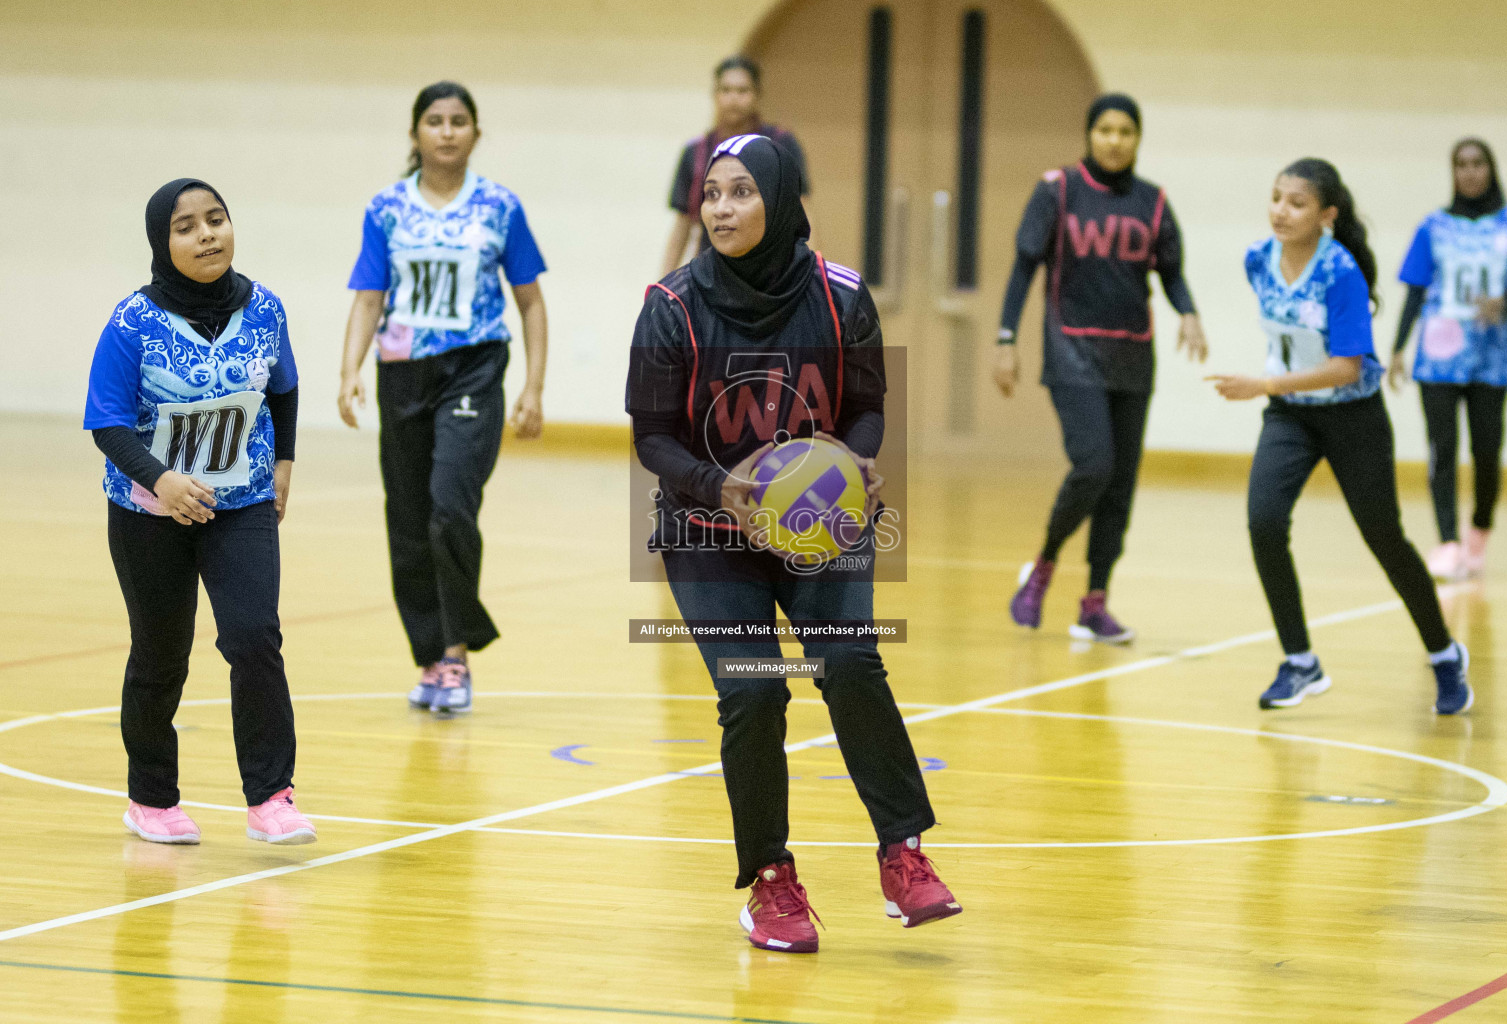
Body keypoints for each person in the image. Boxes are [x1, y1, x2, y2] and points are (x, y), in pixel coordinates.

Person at [626, 134, 961, 954]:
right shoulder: (669, 306)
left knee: (848, 663)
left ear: (777, 201)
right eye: (711, 194)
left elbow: (869, 405)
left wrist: (858, 457)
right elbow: (653, 438)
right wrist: (720, 487)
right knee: (754, 692)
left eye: (741, 192)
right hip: (709, 532)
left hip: (820, 523)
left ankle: (902, 855)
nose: (721, 209)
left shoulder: (841, 296)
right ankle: (771, 882)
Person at [83, 178, 316, 845]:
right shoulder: (132, 322)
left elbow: (285, 390)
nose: (207, 234)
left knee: (253, 639)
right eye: (187, 227)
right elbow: (107, 422)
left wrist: (286, 465)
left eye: (217, 219)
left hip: (241, 502)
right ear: (163, 242)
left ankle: (271, 798)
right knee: (161, 654)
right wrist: (162, 482)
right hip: (146, 512)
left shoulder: (265, 307)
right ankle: (151, 800)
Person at [1208, 157, 1473, 715]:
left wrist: (1263, 384)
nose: (1281, 211)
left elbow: (1347, 367)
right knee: (1263, 521)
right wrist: (1276, 392)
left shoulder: (1341, 272)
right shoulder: (1257, 260)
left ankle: (1445, 653)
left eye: (1297, 203)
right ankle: (1300, 662)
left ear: (1326, 215)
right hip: (1290, 417)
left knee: (1384, 538)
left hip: (1353, 418)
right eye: (1277, 197)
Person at [339, 81, 549, 715]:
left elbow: (531, 302)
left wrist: (534, 387)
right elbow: (369, 299)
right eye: (435, 120)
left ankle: (456, 653)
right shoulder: (386, 209)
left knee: (449, 506)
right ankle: (431, 657)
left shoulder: (500, 207)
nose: (448, 131)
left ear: (475, 135)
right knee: (406, 519)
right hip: (402, 371)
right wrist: (348, 369)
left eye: (460, 121)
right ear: (415, 135)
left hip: (474, 369)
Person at [996, 93, 1208, 643]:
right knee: (1093, 464)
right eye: (1106, 130)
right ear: (1089, 134)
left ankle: (1095, 601)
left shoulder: (1153, 202)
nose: (1115, 140)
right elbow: (1023, 269)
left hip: (1134, 357)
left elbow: (1173, 273)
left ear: (1138, 139)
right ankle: (1043, 566)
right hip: (1071, 352)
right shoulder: (1057, 191)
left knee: (1120, 485)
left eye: (1126, 131)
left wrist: (1189, 313)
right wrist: (1005, 339)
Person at [1389, 138, 1507, 580]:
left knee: (1487, 450)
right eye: (1461, 165)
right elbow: (1415, 290)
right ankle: (1448, 542)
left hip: (1489, 358)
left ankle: (1478, 532)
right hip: (1437, 354)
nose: (1470, 172)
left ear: (1491, 169)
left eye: (1478, 164)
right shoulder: (1432, 226)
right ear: (1452, 172)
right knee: (1441, 448)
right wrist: (1398, 348)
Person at [659, 56, 813, 277]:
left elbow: (802, 209)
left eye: (742, 91)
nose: (734, 98)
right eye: (726, 90)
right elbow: (682, 224)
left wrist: (812, 271)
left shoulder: (781, 144)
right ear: (715, 95)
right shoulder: (696, 152)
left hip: (773, 274)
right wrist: (664, 284)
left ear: (757, 95)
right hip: (712, 274)